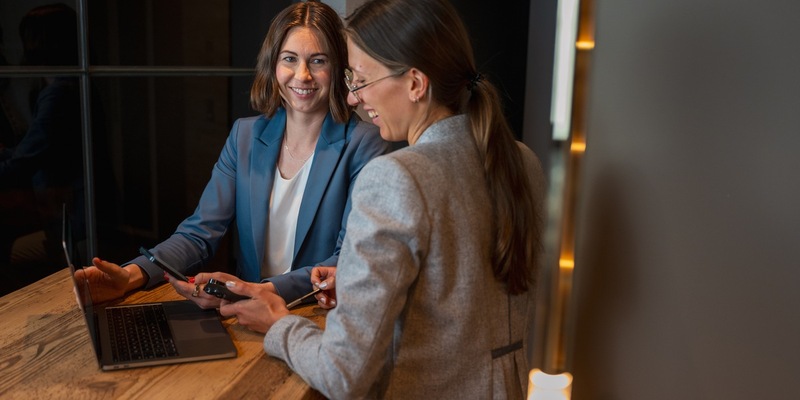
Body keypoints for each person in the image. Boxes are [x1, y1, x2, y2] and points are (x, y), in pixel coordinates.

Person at [204, 0, 547, 398]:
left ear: (416, 84)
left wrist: (278, 322)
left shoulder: (394, 177)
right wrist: (354, 280)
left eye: (362, 80)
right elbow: (456, 298)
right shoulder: (522, 161)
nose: (353, 98)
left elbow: (341, 375)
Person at [79, 0, 389, 306]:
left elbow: (346, 258)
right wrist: (130, 275)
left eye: (318, 61)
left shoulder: (365, 144)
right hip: (243, 312)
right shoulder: (245, 136)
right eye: (289, 59)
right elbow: (199, 233)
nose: (302, 75)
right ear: (273, 64)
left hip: (316, 313)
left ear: (339, 67)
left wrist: (253, 292)